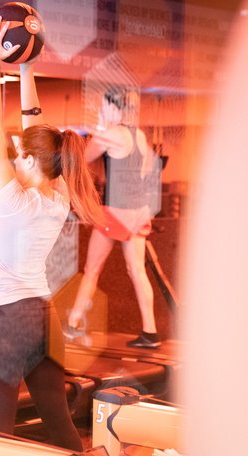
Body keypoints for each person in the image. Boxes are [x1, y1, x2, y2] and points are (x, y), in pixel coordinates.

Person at [0, 17, 103, 451]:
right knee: (62, 427)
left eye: (19, 153)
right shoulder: (59, 195)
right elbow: (35, 126)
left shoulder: (14, 200)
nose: (12, 152)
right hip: (41, 321)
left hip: (4, 322)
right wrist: (26, 68)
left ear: (30, 163)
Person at [67, 87, 161, 349]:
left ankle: (73, 323)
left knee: (92, 270)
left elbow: (80, 160)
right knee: (137, 270)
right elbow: (144, 171)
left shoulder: (108, 135)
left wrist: (97, 129)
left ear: (111, 108)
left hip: (116, 211)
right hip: (137, 210)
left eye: (103, 106)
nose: (101, 111)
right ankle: (150, 331)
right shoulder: (139, 135)